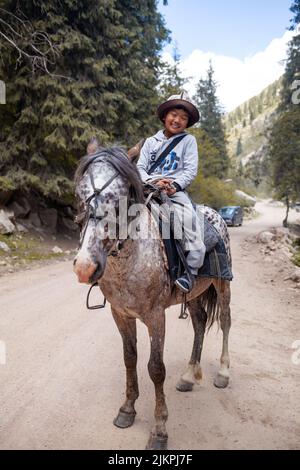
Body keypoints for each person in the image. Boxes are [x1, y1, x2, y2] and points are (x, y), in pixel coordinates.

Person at [137, 91, 206, 293]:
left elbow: (190, 170)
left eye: (183, 118)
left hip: (173, 191)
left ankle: (191, 270)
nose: (177, 120)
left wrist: (174, 185)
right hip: (147, 188)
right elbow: (140, 167)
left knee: (187, 219)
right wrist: (152, 180)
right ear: (165, 116)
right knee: (120, 213)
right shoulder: (151, 142)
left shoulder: (188, 141)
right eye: (174, 115)